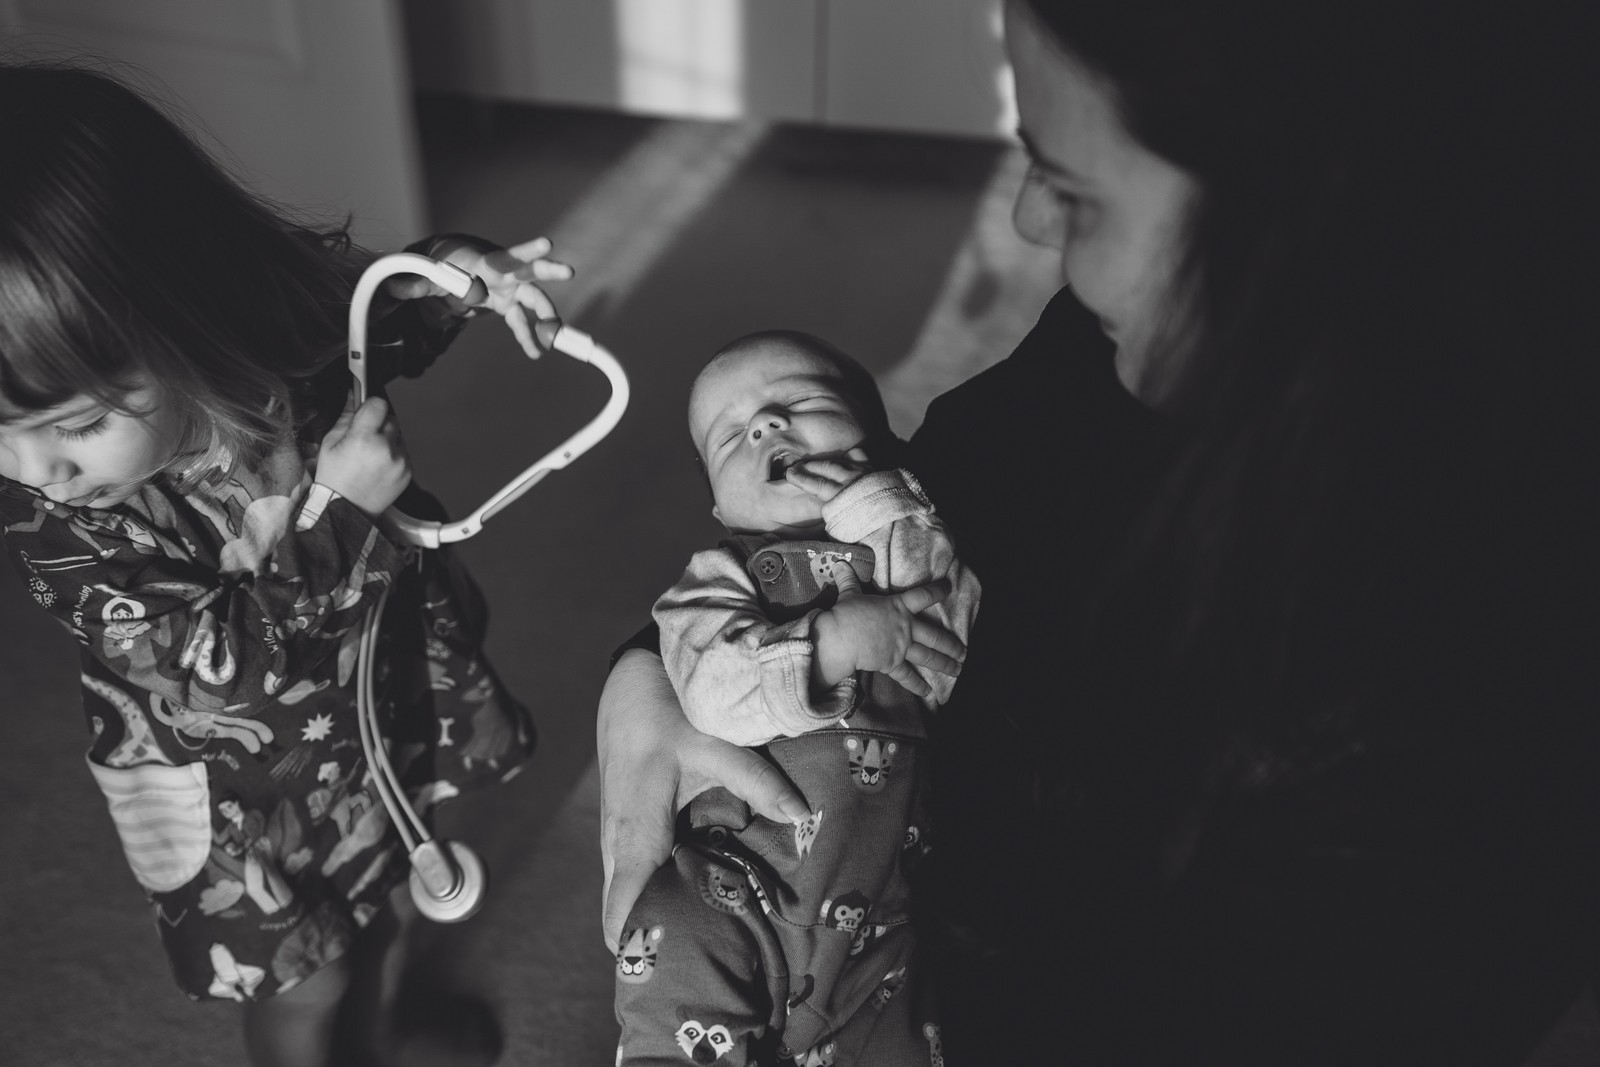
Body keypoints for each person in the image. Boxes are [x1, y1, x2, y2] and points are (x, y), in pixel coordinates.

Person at [597, 0, 1600, 1063]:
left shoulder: (1473, 707)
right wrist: (641, 677)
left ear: (1294, 207)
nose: (1029, 221)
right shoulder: (1096, 362)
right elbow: (929, 490)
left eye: (1072, 186)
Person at [0, 64, 568, 1066]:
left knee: (391, 891)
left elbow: (372, 316)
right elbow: (219, 670)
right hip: (242, 790)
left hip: (370, 698)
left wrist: (459, 276)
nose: (35, 468)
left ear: (187, 310)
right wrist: (342, 512)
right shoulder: (67, 532)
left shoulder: (262, 332)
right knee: (306, 971)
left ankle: (381, 1034)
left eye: (77, 425)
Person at [613, 331, 977, 1065]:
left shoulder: (911, 554)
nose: (765, 426)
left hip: (881, 918)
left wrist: (875, 502)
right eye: (729, 436)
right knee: (674, 943)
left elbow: (947, 651)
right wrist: (828, 645)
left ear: (880, 441)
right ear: (720, 508)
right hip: (737, 881)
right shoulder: (716, 581)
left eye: (802, 400)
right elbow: (713, 695)